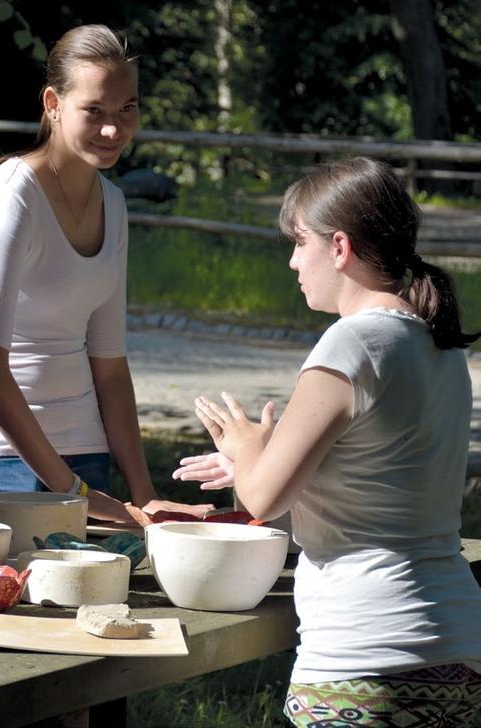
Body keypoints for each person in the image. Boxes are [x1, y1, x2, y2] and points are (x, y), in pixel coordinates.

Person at [179, 157, 481, 726]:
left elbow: (264, 501)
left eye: (299, 242)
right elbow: (372, 490)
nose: (293, 261)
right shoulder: (438, 348)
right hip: (457, 647)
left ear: (339, 246)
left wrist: (249, 451)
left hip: (364, 659)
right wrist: (254, 461)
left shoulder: (351, 344)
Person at [0, 24, 211, 523]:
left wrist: (143, 496)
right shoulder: (11, 195)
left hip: (84, 457)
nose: (113, 130)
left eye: (126, 109)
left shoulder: (114, 201)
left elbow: (109, 367)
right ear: (53, 104)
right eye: (94, 111)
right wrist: (74, 491)